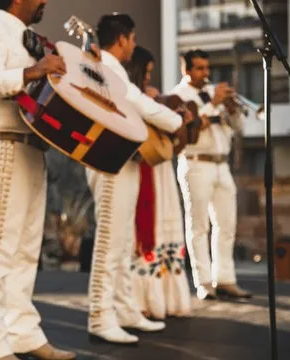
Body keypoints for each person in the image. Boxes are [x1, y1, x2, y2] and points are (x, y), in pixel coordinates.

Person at [0, 1, 75, 359]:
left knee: (27, 250)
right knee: (1, 248)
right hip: (9, 145)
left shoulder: (34, 41)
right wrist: (33, 72)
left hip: (34, 150)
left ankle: (23, 333)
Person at [85, 14, 189, 345]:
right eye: (131, 39)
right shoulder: (107, 65)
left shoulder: (106, 64)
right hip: (110, 159)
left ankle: (125, 308)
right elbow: (133, 99)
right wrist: (175, 121)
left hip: (124, 158)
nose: (133, 45)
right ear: (122, 39)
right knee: (110, 241)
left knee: (124, 242)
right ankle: (100, 316)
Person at [170, 49, 252, 300]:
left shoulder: (213, 92)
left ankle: (225, 278)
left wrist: (233, 110)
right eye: (199, 68)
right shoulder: (177, 96)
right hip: (195, 163)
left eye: (207, 68)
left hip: (222, 164)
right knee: (198, 226)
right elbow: (184, 127)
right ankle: (204, 282)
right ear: (186, 70)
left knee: (227, 225)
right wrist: (213, 104)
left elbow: (239, 129)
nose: (206, 73)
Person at [124, 46, 192, 319]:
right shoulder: (134, 98)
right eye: (147, 73)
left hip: (160, 171)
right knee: (138, 235)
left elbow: (173, 147)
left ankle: (164, 299)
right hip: (139, 170)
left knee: (164, 233)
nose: (150, 79)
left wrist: (183, 124)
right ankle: (140, 301)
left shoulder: (155, 99)